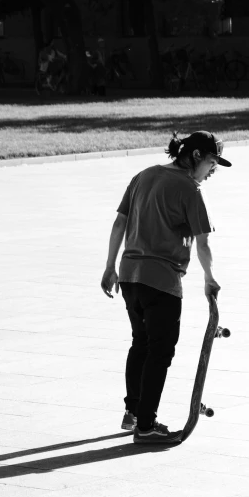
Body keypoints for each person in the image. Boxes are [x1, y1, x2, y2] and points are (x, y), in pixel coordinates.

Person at [101, 131, 232, 444]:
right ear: (197, 156)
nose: (213, 170)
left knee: (141, 343)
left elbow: (120, 222)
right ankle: (145, 426)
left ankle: (133, 413)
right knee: (160, 351)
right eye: (212, 162)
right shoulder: (190, 189)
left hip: (129, 276)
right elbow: (203, 241)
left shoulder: (144, 176)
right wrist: (209, 278)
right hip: (161, 280)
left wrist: (109, 267)